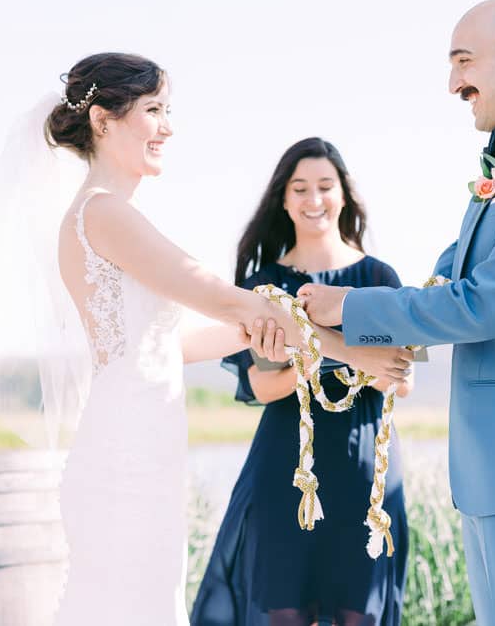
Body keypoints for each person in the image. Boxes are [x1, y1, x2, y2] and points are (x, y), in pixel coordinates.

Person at [32, 53, 411, 626]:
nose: (168, 126)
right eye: (154, 110)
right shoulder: (105, 213)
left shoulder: (110, 214)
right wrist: (351, 351)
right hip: (125, 448)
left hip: (143, 438)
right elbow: (227, 298)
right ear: (104, 120)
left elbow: (183, 339)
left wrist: (272, 330)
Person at [299, 0, 495, 626]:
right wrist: (356, 343)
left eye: (463, 62)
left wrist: (350, 305)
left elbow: (484, 306)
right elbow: (446, 280)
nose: (454, 83)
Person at [190, 137, 410, 626]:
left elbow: (402, 382)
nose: (314, 200)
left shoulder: (379, 276)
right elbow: (261, 387)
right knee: (281, 610)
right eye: (301, 188)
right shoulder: (262, 283)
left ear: (345, 194)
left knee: (362, 611)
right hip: (285, 469)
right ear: (283, 199)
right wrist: (319, 364)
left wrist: (370, 367)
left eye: (325, 187)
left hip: (363, 465)